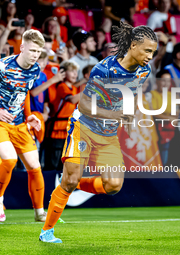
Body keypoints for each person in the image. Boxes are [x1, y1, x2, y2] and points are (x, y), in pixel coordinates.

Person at [39, 22, 157, 243]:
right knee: (70, 181)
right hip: (83, 128)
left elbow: (132, 94)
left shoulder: (144, 70)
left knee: (113, 185)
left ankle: (70, 181)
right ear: (133, 46)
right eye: (147, 50)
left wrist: (129, 114)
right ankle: (47, 231)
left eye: (153, 52)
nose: (151, 56)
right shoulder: (104, 69)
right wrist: (114, 115)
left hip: (108, 135)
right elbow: (84, 105)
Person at [0, 29, 47, 222]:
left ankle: (39, 212)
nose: (35, 55)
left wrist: (28, 116)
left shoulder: (35, 69)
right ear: (22, 47)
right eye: (32, 50)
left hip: (18, 123)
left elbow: (23, 91)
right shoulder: (1, 66)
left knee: (35, 166)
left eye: (38, 52)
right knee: (9, 159)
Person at [44, 60, 81, 171]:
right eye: (72, 71)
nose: (75, 74)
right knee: (53, 164)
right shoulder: (62, 87)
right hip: (56, 131)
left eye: (76, 71)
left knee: (65, 165)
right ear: (64, 73)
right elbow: (72, 99)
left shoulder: (74, 88)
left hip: (69, 131)